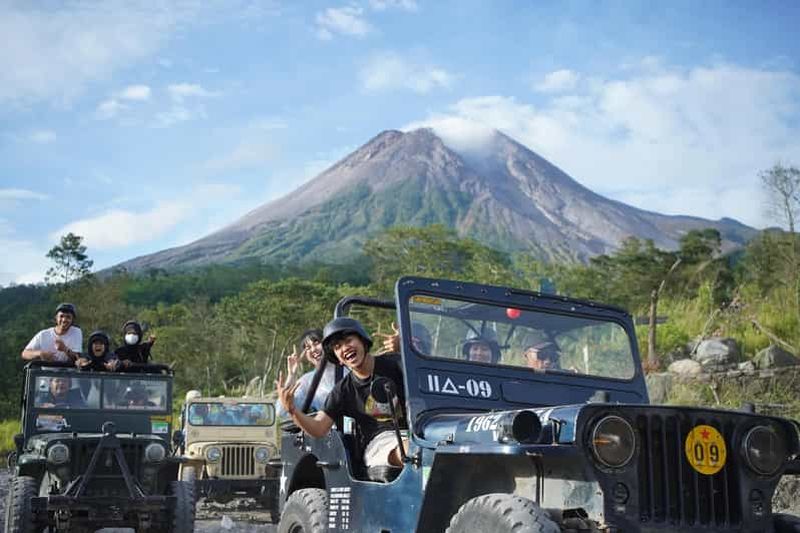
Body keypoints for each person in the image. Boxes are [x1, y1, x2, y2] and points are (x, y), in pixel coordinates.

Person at [276, 317, 407, 468]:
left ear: (363, 342)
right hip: (381, 442)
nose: (344, 348)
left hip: (419, 430)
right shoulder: (340, 389)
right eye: (337, 347)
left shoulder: (396, 363)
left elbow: (428, 373)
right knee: (414, 451)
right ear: (337, 358)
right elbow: (319, 427)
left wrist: (405, 346)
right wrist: (292, 410)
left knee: (427, 445)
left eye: (348, 340)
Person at [276, 329, 344, 418]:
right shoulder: (306, 381)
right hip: (324, 430)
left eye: (316, 343)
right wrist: (291, 377)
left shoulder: (348, 370)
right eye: (308, 348)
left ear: (328, 344)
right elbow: (282, 412)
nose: (313, 349)